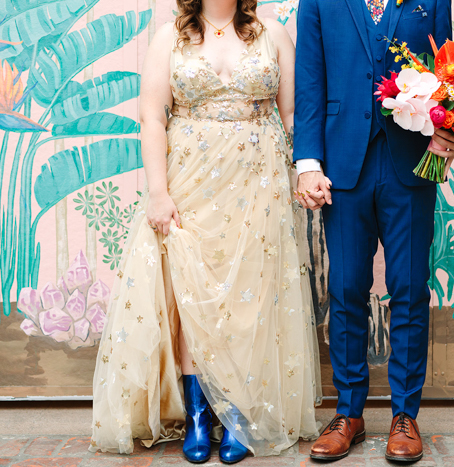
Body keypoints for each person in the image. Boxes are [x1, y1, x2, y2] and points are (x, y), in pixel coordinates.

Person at [90, 0, 322, 463]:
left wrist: (305, 171)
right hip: (190, 179)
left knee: (249, 295)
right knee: (192, 290)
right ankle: (198, 413)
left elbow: (294, 114)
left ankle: (238, 412)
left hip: (259, 181)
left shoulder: (272, 34)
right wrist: (159, 193)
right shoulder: (168, 39)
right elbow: (153, 118)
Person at [294, 0, 454, 462]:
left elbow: (451, 76)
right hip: (343, 165)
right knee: (347, 287)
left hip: (410, 163)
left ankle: (404, 416)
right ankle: (348, 412)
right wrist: (307, 162)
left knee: (409, 287)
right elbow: (310, 81)